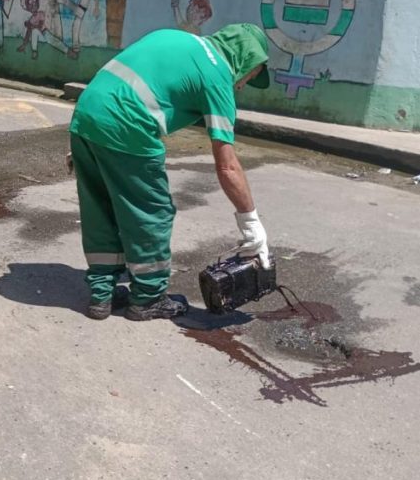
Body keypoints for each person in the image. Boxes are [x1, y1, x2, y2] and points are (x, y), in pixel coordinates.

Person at [68, 23, 271, 321]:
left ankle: (101, 295)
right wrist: (251, 224)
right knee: (152, 212)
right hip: (126, 126)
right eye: (250, 77)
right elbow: (227, 165)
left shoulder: (176, 37)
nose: (241, 86)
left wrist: (93, 145)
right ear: (246, 60)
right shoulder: (217, 76)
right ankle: (147, 298)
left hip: (86, 115)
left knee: (101, 207)